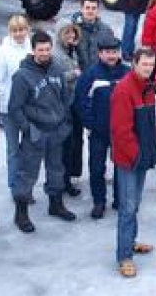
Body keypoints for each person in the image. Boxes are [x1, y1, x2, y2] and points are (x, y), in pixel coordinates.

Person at [8, 29, 74, 232]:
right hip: (35, 133)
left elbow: (65, 96)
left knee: (56, 170)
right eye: (40, 50)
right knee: (27, 174)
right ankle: (21, 213)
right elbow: (15, 107)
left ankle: (56, 204)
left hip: (56, 131)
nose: (44, 53)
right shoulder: (22, 76)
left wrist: (64, 121)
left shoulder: (57, 69)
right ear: (33, 50)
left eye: (47, 49)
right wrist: (29, 129)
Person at [110, 48, 156, 277]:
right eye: (144, 65)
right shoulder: (124, 90)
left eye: (151, 65)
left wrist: (152, 150)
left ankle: (131, 241)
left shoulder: (148, 88)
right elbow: (121, 131)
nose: (148, 69)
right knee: (127, 207)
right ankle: (124, 256)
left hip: (141, 156)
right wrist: (137, 155)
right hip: (129, 159)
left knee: (135, 203)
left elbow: (149, 124)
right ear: (134, 64)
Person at [75, 34, 131, 219]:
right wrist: (91, 123)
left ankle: (119, 199)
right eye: (107, 52)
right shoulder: (91, 75)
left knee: (121, 167)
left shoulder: (127, 73)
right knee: (97, 167)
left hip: (121, 131)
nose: (112, 56)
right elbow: (81, 101)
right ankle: (99, 201)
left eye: (115, 52)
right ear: (100, 54)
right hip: (99, 132)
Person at [0, 15, 31, 191]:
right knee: (13, 149)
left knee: (29, 148)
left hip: (29, 107)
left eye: (21, 30)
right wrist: (4, 104)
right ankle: (15, 186)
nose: (18, 34)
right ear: (10, 32)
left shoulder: (31, 47)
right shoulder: (3, 51)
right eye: (15, 31)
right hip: (9, 108)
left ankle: (26, 183)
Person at [54, 22, 84, 197]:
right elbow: (56, 77)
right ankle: (63, 181)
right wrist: (74, 74)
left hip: (74, 101)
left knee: (74, 141)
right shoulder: (57, 54)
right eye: (67, 34)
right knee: (65, 144)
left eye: (73, 34)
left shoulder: (72, 50)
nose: (71, 37)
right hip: (63, 104)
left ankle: (70, 176)